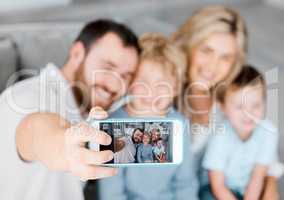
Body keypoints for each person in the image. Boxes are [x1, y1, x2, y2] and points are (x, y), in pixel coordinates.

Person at [0, 19, 140, 200]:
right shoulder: (27, 97)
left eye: (125, 76)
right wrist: (63, 146)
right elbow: (33, 130)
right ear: (77, 54)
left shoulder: (88, 111)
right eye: (107, 68)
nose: (115, 85)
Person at [171, 5, 281, 199]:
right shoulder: (163, 93)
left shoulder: (231, 99)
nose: (212, 67)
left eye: (225, 58)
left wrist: (270, 186)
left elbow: (261, 144)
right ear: (189, 45)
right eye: (206, 50)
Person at [98, 33, 198, 200]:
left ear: (175, 88)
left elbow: (185, 183)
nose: (151, 92)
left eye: (162, 85)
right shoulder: (115, 126)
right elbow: (112, 192)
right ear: (129, 83)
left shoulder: (179, 125)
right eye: (142, 82)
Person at [201, 65, 278, 200]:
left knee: (270, 195)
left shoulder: (268, 132)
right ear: (223, 107)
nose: (248, 114)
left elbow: (258, 177)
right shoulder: (220, 136)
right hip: (223, 190)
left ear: (264, 102)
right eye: (239, 107)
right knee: (206, 195)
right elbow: (218, 185)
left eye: (256, 105)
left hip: (252, 188)